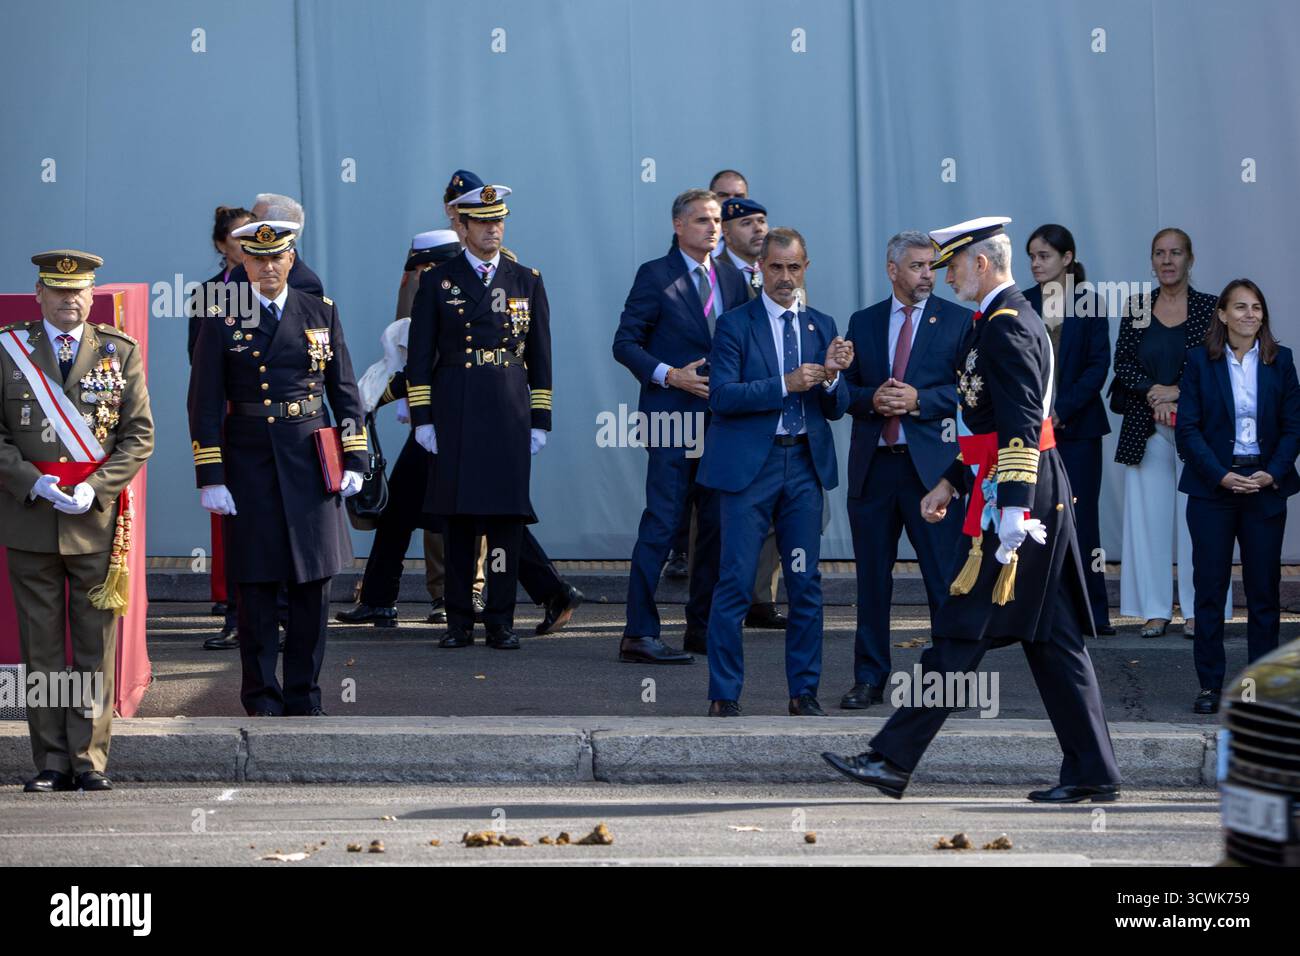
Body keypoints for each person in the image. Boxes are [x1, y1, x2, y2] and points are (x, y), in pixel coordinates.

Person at [822, 217, 1122, 804]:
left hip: (1018, 503)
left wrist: (1007, 513)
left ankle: (891, 757)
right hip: (1018, 491)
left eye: (952, 263)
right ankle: (1093, 770)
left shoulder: (1006, 327)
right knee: (1053, 639)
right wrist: (953, 481)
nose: (944, 275)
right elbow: (988, 426)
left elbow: (1019, 428)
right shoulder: (997, 321)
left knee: (961, 632)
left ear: (980, 263)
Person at [188, 220, 367, 716]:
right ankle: (261, 696)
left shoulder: (319, 311)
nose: (268, 267)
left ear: (291, 259)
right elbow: (203, 401)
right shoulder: (221, 316)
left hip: (310, 458)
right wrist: (212, 475)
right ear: (243, 262)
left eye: (277, 257)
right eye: (258, 259)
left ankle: (305, 695)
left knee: (313, 583)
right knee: (258, 585)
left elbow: (345, 392)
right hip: (250, 460)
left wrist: (354, 457)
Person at [1, 250, 154, 791]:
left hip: (95, 522)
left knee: (94, 646)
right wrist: (31, 481)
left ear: (92, 295)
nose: (70, 300)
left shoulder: (119, 350)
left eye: (79, 292)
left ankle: (89, 759)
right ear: (38, 294)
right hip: (31, 520)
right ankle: (50, 761)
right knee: (41, 650)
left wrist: (94, 487)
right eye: (58, 291)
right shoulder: (9, 349)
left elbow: (139, 436)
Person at [698, 228, 851, 716]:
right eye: (777, 267)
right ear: (760, 268)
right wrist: (784, 383)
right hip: (750, 471)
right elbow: (721, 397)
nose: (786, 277)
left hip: (803, 467)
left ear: (806, 268)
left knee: (805, 581)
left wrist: (832, 376)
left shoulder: (822, 324)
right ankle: (724, 694)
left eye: (795, 267)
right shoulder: (734, 324)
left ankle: (803, 692)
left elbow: (837, 407)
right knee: (736, 582)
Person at [406, 184, 553, 649]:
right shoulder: (438, 280)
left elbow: (541, 354)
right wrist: (423, 419)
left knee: (506, 521)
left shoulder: (525, 278)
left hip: (508, 406)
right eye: (483, 222)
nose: (493, 229)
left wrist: (540, 418)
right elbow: (419, 355)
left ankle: (500, 621)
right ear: (463, 227)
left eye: (499, 220)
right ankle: (459, 622)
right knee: (459, 521)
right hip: (457, 403)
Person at [612, 188, 748, 663]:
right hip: (671, 416)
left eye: (716, 220)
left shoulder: (732, 278)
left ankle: (702, 626)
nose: (712, 227)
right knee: (664, 521)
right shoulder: (656, 275)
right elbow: (625, 343)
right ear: (678, 225)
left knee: (713, 525)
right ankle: (639, 632)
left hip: (720, 423)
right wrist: (670, 375)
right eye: (701, 220)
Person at [840, 231, 969, 709]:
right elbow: (843, 395)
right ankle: (870, 677)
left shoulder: (959, 321)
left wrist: (922, 401)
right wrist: (869, 399)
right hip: (874, 469)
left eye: (932, 266)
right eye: (916, 266)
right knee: (873, 581)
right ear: (892, 270)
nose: (927, 275)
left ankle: (947, 681)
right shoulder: (864, 321)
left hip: (932, 474)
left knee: (943, 579)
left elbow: (971, 393)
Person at [1175, 279, 1300, 714]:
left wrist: (1272, 473)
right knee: (1209, 589)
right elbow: (1187, 429)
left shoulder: (1280, 361)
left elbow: (1292, 427)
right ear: (1223, 315)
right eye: (1241, 307)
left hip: (1265, 486)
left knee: (1263, 592)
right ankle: (1211, 685)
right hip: (1214, 489)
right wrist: (1222, 476)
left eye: (1257, 308)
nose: (1250, 314)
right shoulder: (1198, 361)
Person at [1113, 228, 1228, 637]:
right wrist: (1154, 395)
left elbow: (1217, 364)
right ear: (1152, 261)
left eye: (1175, 252)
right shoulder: (1138, 307)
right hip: (1147, 426)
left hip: (1197, 429)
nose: (1167, 260)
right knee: (1148, 521)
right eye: (1159, 253)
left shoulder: (1211, 308)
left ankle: (1200, 609)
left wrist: (1179, 392)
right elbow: (1123, 364)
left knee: (1200, 522)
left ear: (1190, 259)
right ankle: (1154, 609)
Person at [1023, 224, 1114, 636]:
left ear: (1067, 258)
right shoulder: (1021, 304)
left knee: (1082, 519)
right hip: (1029, 430)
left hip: (1077, 429)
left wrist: (1061, 410)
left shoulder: (1090, 305)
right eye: (1032, 256)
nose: (1036, 264)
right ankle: (1036, 612)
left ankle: (1093, 613)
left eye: (1044, 255)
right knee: (1034, 517)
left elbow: (1098, 367)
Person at [187, 204, 253, 650]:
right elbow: (199, 360)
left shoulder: (281, 284)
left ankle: (278, 611)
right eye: (236, 237)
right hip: (228, 413)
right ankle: (234, 611)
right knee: (229, 518)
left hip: (270, 417)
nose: (247, 244)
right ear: (220, 245)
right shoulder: (208, 294)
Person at [227, 193, 324, 297]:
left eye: (253, 219)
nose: (247, 224)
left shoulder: (305, 284)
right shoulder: (239, 273)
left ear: (269, 230)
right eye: (259, 260)